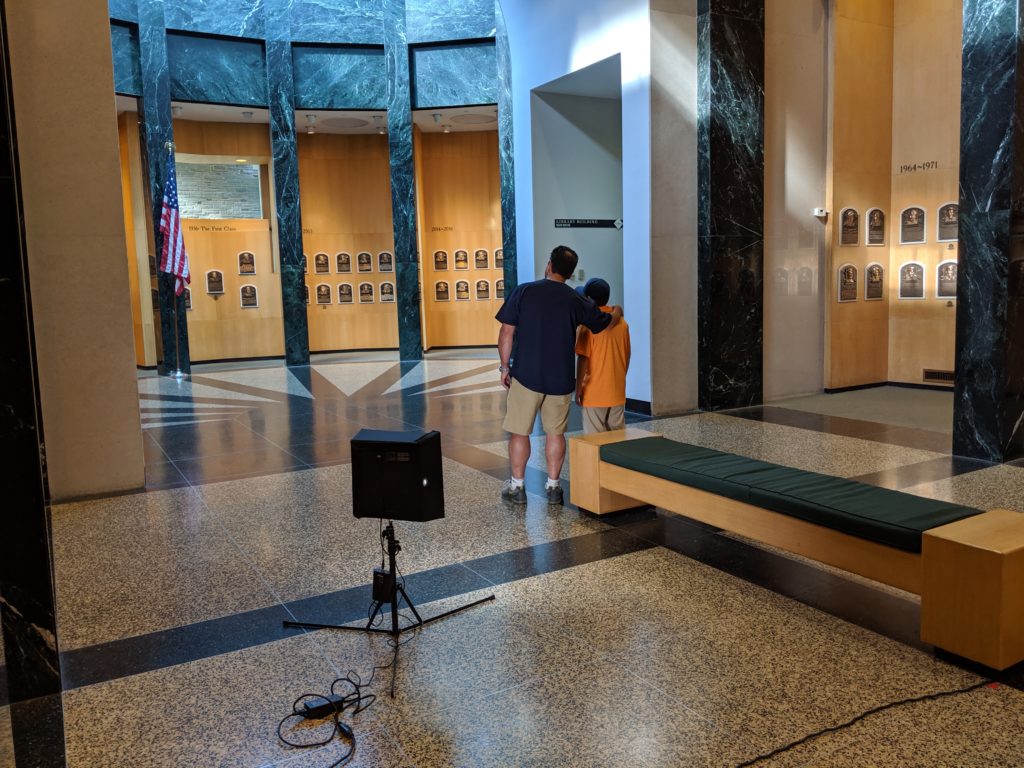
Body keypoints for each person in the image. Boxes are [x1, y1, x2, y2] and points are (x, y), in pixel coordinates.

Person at [495, 245, 622, 505]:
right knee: (555, 434)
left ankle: (517, 487)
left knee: (520, 433)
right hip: (561, 379)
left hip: (526, 375)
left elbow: (506, 332)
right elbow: (603, 322)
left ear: (549, 265)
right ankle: (554, 488)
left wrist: (504, 367)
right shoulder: (575, 299)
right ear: (571, 273)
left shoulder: (524, 291)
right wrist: (617, 312)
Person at [574, 277, 630, 434]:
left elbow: (583, 359)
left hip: (594, 392)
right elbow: (627, 355)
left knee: (595, 438)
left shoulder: (588, 327)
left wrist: (578, 389)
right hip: (617, 390)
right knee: (618, 436)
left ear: (589, 300)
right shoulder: (623, 324)